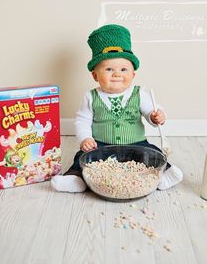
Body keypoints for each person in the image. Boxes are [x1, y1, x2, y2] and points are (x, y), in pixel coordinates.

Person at [51, 24, 183, 193]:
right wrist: (85, 138)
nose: (117, 74)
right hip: (101, 145)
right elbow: (82, 120)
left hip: (136, 144)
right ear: (95, 75)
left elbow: (152, 110)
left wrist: (156, 116)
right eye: (109, 69)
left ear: (133, 74)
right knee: (82, 157)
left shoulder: (139, 93)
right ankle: (76, 178)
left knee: (152, 153)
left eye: (123, 69)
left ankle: (162, 176)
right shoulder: (91, 97)